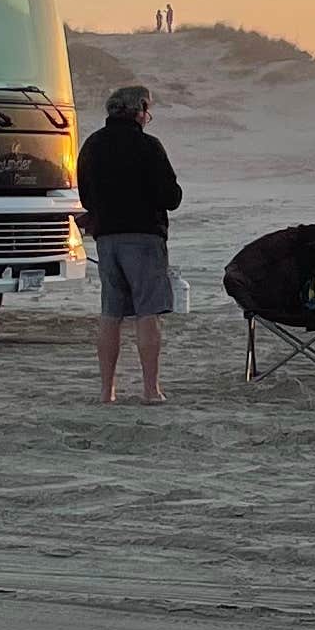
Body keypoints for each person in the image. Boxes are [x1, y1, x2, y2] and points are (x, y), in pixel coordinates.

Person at [76, 81, 182, 404]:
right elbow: (171, 196)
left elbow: (85, 195)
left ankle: (107, 390)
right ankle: (151, 389)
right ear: (139, 111)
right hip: (144, 237)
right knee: (147, 313)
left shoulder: (92, 145)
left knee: (111, 314)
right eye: (148, 110)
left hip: (107, 239)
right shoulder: (149, 147)